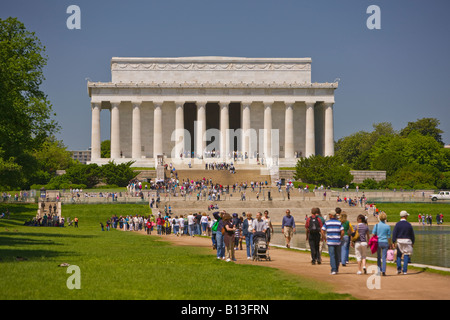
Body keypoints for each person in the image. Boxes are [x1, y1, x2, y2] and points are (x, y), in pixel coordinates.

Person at [321, 210, 344, 275]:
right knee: (337, 255)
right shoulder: (339, 223)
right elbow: (342, 232)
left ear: (331, 215)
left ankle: (333, 269)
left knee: (332, 256)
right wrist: (340, 238)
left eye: (329, 215)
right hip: (337, 241)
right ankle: (336, 268)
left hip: (330, 241)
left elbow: (322, 231)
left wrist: (325, 238)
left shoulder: (327, 223)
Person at [392, 210, 415, 275]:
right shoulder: (409, 224)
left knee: (399, 255)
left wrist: (393, 241)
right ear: (405, 216)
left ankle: (399, 268)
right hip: (407, 241)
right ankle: (405, 270)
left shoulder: (397, 224)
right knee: (406, 255)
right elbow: (412, 234)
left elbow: (394, 233)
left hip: (399, 241)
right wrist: (413, 242)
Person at [371, 212, 391, 276]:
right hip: (385, 242)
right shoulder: (387, 226)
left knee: (378, 257)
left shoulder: (376, 225)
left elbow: (373, 234)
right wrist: (390, 244)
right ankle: (384, 271)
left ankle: (379, 270)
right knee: (384, 257)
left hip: (378, 242)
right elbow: (389, 237)